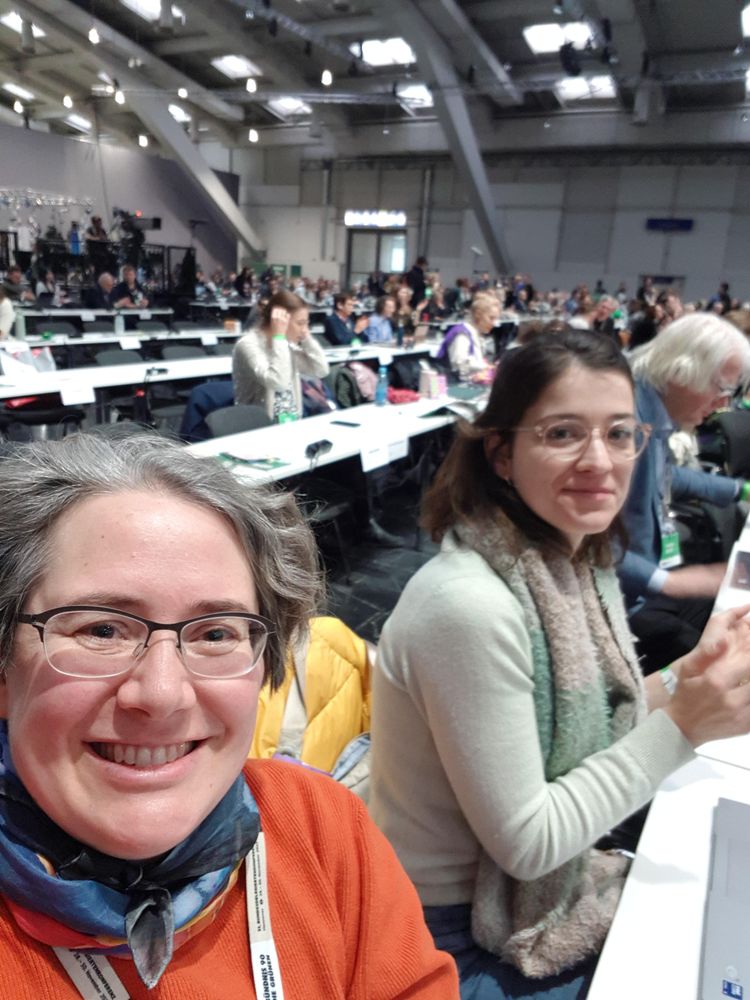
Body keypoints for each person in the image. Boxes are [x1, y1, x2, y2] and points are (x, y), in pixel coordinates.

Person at [0, 433, 458, 998]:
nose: (163, 693)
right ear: (4, 669)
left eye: (216, 633)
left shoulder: (320, 826)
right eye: (102, 629)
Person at [370, 329, 750, 998]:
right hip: (455, 931)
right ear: (502, 454)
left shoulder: (574, 556)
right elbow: (529, 841)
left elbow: (607, 716)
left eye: (620, 433)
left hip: (523, 891)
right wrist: (685, 725)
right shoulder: (468, 607)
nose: (600, 461)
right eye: (563, 433)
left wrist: (685, 677)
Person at [619, 313, 750, 673]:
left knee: (731, 608)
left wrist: (739, 490)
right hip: (622, 597)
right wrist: (668, 582)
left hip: (646, 578)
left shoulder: (651, 412)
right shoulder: (626, 420)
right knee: (716, 662)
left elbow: (663, 477)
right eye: (720, 389)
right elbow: (581, 534)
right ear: (681, 373)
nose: (723, 404)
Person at [233, 288, 330, 421]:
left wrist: (306, 337)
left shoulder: (285, 345)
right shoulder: (248, 345)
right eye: (300, 323)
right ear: (279, 321)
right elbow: (278, 382)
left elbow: (321, 370)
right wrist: (278, 336)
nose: (305, 329)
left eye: (307, 323)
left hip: (291, 423)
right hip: (257, 428)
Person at [436, 293, 499, 379]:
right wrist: (485, 367)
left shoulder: (474, 332)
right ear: (478, 314)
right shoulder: (462, 333)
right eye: (491, 318)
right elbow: (459, 364)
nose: (494, 323)